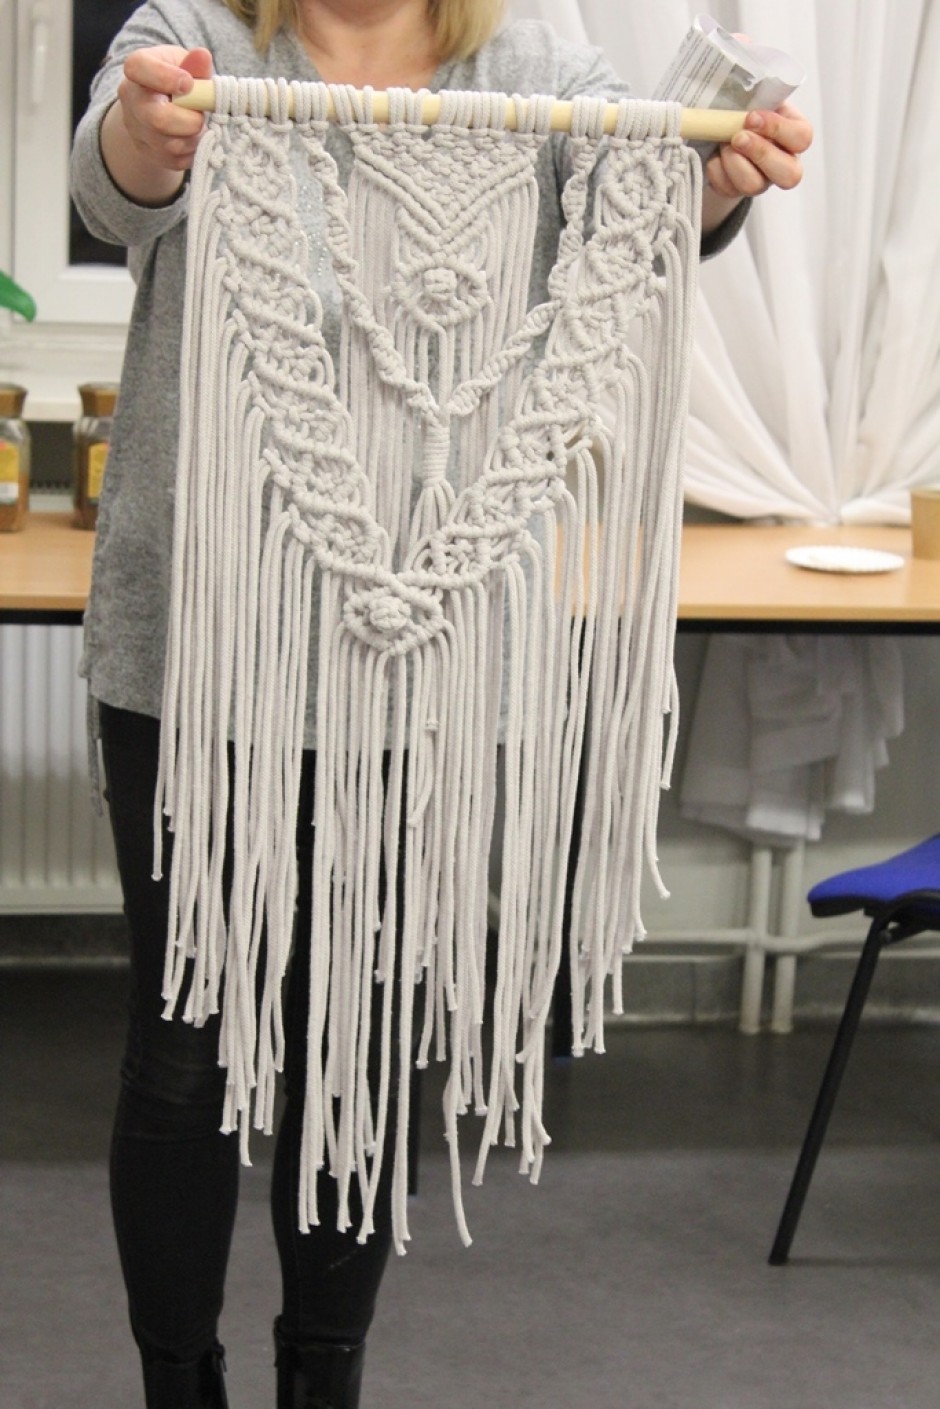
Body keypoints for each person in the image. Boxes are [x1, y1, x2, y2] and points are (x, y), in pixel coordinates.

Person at [70, 2, 812, 1405]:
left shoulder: (533, 64)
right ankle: (180, 1384)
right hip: (201, 657)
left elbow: (638, 214)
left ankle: (323, 1379)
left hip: (422, 666)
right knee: (182, 1051)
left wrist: (710, 183)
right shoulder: (197, 31)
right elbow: (115, 182)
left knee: (357, 1039)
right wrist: (145, 132)